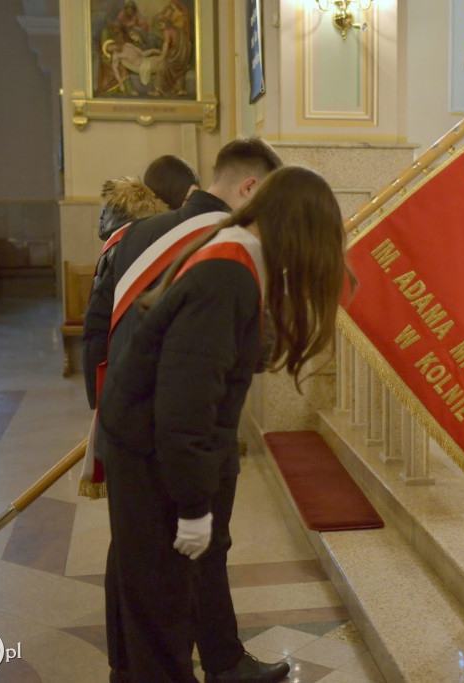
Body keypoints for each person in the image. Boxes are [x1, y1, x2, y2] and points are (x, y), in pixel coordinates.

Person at [96, 166, 348, 682]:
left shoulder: (231, 249)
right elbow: (185, 407)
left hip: (147, 440)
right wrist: (192, 508)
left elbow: (218, 356)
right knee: (160, 607)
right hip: (150, 449)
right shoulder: (227, 271)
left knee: (156, 595)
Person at [81, 138, 287, 682]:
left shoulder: (135, 234)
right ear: (249, 188)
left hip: (131, 421)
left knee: (136, 559)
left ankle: (157, 664)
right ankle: (212, 664)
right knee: (194, 552)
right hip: (181, 427)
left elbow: (97, 328)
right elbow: (219, 358)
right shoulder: (227, 244)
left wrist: (104, 412)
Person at [84, 154, 201, 409]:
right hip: (129, 376)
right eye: (189, 198)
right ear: (172, 195)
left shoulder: (147, 235)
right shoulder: (132, 240)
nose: (192, 207)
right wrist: (99, 396)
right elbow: (98, 321)